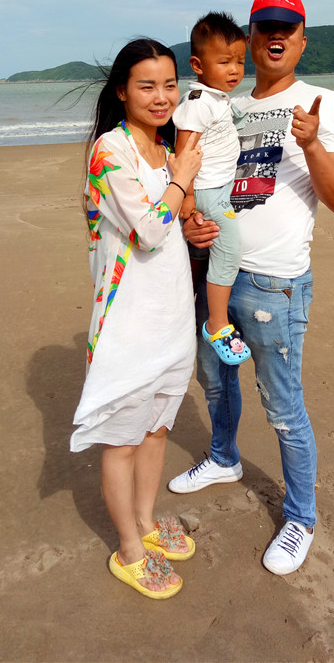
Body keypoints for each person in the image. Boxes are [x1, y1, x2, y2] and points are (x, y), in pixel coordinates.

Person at [168, 0, 334, 576]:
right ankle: (223, 456)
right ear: (250, 40)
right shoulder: (227, 104)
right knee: (215, 381)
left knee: (283, 406)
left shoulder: (323, 103)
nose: (277, 35)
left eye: (288, 27)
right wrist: (191, 222)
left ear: (302, 39)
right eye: (266, 26)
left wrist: (310, 142)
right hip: (217, 273)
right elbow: (199, 171)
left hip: (275, 283)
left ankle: (300, 517)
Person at [70, 38, 203, 600]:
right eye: (146, 85)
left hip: (172, 315)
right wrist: (181, 178)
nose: (161, 96)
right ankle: (128, 549)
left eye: (169, 84)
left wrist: (192, 223)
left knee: (156, 428)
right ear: (122, 91)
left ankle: (146, 521)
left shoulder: (166, 147)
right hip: (127, 324)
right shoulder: (110, 150)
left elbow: (170, 225)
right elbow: (148, 231)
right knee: (122, 440)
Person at [173, 12, 251, 366]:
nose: (234, 70)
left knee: (205, 253)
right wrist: (187, 195)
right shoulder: (198, 102)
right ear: (197, 65)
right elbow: (184, 151)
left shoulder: (216, 98)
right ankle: (217, 324)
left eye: (240, 62)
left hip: (216, 188)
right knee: (229, 250)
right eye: (224, 62)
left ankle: (183, 314)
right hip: (206, 190)